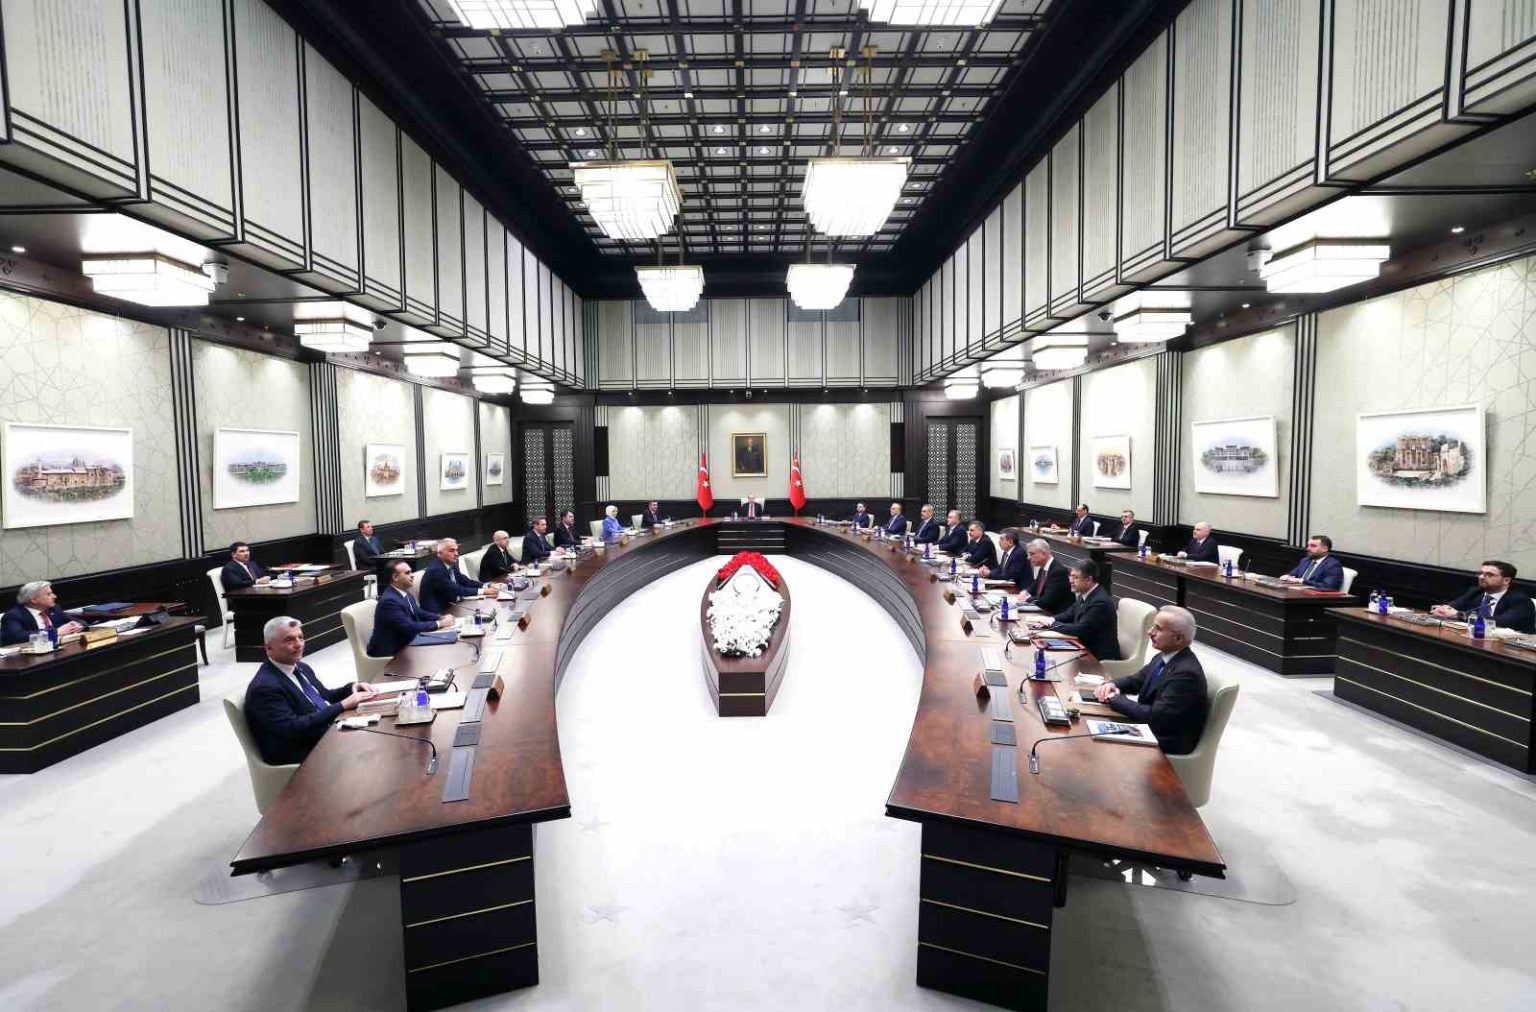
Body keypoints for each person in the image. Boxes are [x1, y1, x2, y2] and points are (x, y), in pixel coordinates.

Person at [243, 616, 376, 766]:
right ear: (269, 648)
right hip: (300, 751)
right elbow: (292, 728)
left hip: (323, 732)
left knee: (376, 729)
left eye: (300, 637)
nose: (299, 644)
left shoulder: (301, 667)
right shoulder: (264, 688)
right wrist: (342, 705)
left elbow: (324, 696)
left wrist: (351, 688)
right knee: (369, 751)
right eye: (289, 640)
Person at [1094, 605, 1209, 755]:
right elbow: (1136, 680)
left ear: (1178, 638)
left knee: (1097, 746)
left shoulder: (1186, 675)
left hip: (1165, 742)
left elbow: (1156, 717)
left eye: (1158, 628)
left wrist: (1115, 699)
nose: (1150, 632)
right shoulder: (1164, 656)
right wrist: (1112, 684)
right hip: (1149, 728)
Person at [1033, 561, 1121, 660]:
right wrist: (1050, 619)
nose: (1071, 581)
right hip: (1084, 648)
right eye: (1070, 576)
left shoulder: (1100, 602)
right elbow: (1069, 614)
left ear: (1088, 580)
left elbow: (1079, 630)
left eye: (1075, 577)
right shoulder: (1085, 594)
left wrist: (1051, 624)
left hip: (1098, 657)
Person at [367, 562, 454, 657]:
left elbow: (418, 612)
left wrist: (439, 617)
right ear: (395, 577)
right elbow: (409, 627)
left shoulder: (404, 593)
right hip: (391, 652)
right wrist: (440, 624)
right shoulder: (389, 601)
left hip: (406, 642)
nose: (412, 575)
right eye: (407, 573)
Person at [1430, 560, 1535, 633]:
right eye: (1480, 573)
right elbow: (1453, 606)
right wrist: (1442, 610)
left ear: (1506, 580)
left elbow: (1500, 622)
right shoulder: (1476, 591)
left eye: (1489, 575)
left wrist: (1459, 615)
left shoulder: (1521, 601)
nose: (1481, 577)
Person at [1, 581, 87, 646]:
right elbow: (18, 637)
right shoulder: (14, 615)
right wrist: (56, 632)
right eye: (49, 594)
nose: (54, 596)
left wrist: (77, 626)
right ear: (34, 599)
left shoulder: (54, 609)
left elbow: (81, 622)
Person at [419, 539, 491, 613]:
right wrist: (484, 591)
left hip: (453, 605)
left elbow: (464, 580)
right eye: (452, 551)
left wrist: (486, 586)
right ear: (440, 553)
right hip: (438, 613)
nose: (456, 554)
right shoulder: (435, 570)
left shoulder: (451, 563)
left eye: (456, 550)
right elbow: (456, 590)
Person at [1018, 538, 1073, 613]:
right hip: (1043, 610)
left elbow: (1047, 600)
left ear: (1043, 554)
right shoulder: (1043, 567)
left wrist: (1027, 599)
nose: (1028, 558)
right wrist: (1026, 592)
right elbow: (1035, 586)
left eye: (1032, 554)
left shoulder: (1058, 572)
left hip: (1054, 614)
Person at [1280, 534, 1344, 590]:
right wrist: (1287, 577)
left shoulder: (1332, 565)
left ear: (1325, 549)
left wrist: (1302, 581)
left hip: (1316, 598)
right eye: (1308, 545)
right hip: (1298, 592)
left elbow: (1329, 586)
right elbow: (1293, 574)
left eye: (1313, 546)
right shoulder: (1305, 560)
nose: (1308, 548)